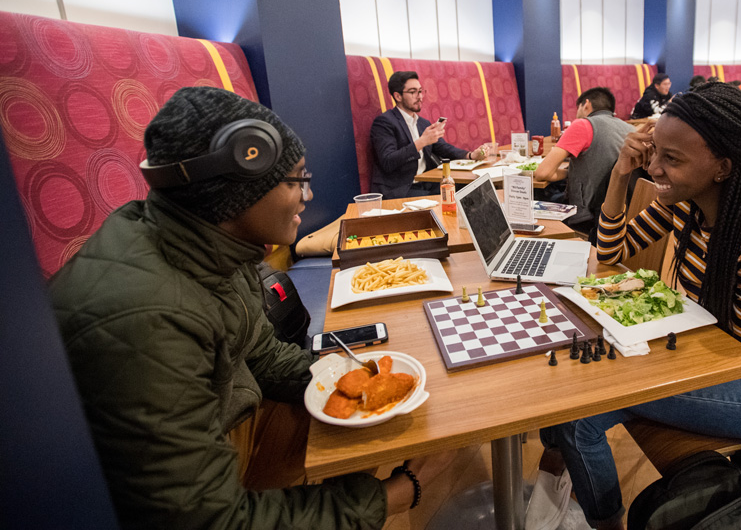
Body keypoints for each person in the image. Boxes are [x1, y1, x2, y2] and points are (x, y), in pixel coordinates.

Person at [49, 87, 453, 529]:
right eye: (296, 180)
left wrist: (353, 382)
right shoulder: (145, 321)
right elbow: (214, 521)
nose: (308, 195)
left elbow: (261, 353)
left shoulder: (209, 241)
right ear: (237, 188)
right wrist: (396, 494)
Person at [526, 83, 741, 530]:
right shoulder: (685, 202)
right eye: (654, 153)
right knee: (577, 389)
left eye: (673, 159)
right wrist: (622, 174)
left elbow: (737, 358)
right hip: (712, 354)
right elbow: (611, 254)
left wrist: (633, 362)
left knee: (581, 410)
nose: (656, 168)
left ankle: (607, 522)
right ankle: (575, 493)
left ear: (723, 167)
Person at [370, 70, 489, 198]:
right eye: (412, 92)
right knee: (449, 197)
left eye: (420, 91)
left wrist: (470, 155)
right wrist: (422, 142)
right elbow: (388, 161)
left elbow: (444, 149)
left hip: (426, 183)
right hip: (401, 188)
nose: (420, 96)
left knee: (474, 188)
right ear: (398, 96)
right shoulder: (384, 122)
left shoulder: (422, 123)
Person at [535, 87, 634, 237]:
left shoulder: (582, 125)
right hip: (621, 212)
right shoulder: (630, 129)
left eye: (578, 107)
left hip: (586, 214)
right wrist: (571, 173)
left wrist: (567, 173)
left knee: (537, 194)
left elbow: (542, 173)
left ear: (586, 104)